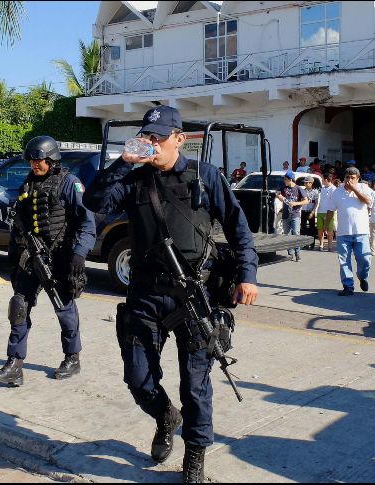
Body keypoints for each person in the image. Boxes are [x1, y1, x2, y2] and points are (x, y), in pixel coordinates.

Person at [83, 106, 259, 483]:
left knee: (195, 385)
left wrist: (248, 275)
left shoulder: (206, 176)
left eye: (159, 138)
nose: (152, 144)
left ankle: (194, 456)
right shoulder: (133, 179)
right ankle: (165, 416)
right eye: (147, 137)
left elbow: (238, 227)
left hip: (195, 295)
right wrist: (121, 163)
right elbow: (94, 202)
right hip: (145, 293)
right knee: (138, 378)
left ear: (180, 139)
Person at [0, 135, 96, 387]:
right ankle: (14, 363)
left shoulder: (69, 183)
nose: (35, 164)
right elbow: (19, 221)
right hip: (31, 257)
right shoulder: (29, 183)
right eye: (32, 160)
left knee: (64, 308)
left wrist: (79, 254)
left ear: (52, 159)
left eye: (39, 160)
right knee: (19, 307)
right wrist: (15, 255)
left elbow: (86, 222)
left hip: (60, 257)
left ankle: (72, 357)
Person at [324, 167, 373, 296]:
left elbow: (368, 202)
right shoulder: (337, 192)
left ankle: (362, 277)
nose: (349, 180)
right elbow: (330, 210)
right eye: (347, 177)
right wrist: (325, 226)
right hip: (343, 233)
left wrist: (355, 189)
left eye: (352, 178)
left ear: (357, 179)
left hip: (361, 232)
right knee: (344, 260)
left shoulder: (363, 188)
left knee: (365, 259)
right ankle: (348, 286)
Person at [277, 171, 308, 261]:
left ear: (290, 180)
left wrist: (295, 203)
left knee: (296, 234)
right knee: (287, 234)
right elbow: (278, 194)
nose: (284, 181)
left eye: (285, 179)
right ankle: (290, 253)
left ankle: (297, 253)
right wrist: (280, 197)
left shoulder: (298, 189)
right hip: (285, 214)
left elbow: (306, 200)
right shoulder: (284, 188)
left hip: (295, 214)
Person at [316, 173, 336, 251]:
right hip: (320, 211)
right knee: (320, 229)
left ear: (327, 180)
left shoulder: (333, 189)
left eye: (323, 180)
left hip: (329, 212)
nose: (322, 181)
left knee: (329, 230)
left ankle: (330, 246)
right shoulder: (322, 188)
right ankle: (321, 245)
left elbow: (334, 201)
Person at [299, 175, 319, 240]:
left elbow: (316, 203)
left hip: (311, 211)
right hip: (304, 211)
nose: (306, 184)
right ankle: (303, 243)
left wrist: (312, 212)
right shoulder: (302, 191)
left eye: (307, 182)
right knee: (303, 227)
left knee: (312, 228)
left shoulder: (315, 191)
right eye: (305, 182)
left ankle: (312, 243)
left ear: (311, 183)